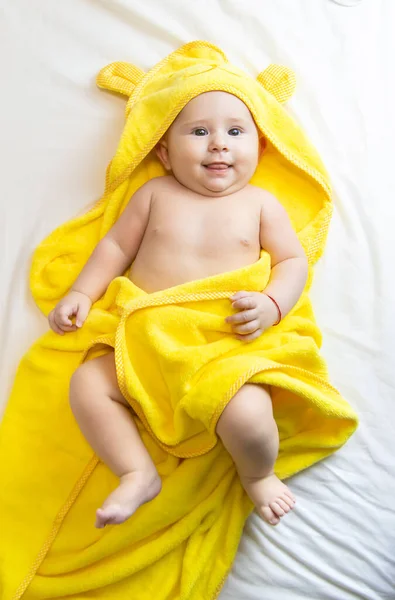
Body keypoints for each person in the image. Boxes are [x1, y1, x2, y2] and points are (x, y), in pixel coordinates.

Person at [49, 90, 307, 529]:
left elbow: (292, 261)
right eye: (200, 131)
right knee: (87, 385)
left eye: (235, 131)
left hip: (223, 349)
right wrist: (81, 292)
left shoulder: (261, 204)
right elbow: (114, 246)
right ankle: (136, 471)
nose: (218, 143)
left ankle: (258, 474)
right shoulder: (153, 194)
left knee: (248, 415)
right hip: (149, 344)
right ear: (165, 155)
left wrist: (272, 304)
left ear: (259, 149)